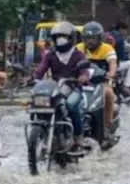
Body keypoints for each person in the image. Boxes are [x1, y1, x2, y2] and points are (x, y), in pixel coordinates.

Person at [32, 21, 92, 151]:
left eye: (63, 37)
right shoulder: (50, 55)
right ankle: (42, 133)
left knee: (71, 105)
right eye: (58, 37)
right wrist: (33, 78)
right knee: (38, 104)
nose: (60, 40)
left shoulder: (78, 54)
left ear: (71, 38)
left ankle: (77, 137)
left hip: (74, 88)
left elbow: (84, 70)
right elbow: (41, 70)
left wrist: (83, 77)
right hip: (55, 88)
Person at [75, 21, 118, 149]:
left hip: (102, 81)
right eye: (87, 38)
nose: (90, 41)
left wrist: (112, 72)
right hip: (83, 82)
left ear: (100, 38)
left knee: (108, 94)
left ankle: (106, 125)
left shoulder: (107, 48)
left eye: (93, 38)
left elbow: (112, 63)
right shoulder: (78, 48)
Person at [109, 21, 130, 100]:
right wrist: (129, 58)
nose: (126, 32)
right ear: (120, 29)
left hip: (105, 64)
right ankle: (127, 85)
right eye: (125, 30)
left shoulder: (108, 36)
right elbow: (121, 56)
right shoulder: (120, 39)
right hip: (115, 65)